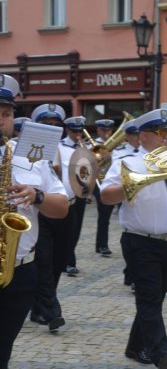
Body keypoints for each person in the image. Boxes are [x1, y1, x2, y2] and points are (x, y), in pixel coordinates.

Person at [101, 108, 167, 369]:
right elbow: (105, 196)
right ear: (144, 135)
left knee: (157, 296)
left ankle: (135, 346)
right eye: (160, 133)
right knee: (149, 297)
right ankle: (161, 353)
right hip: (139, 241)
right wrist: (135, 185)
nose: (166, 138)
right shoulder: (128, 163)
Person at [0, 74, 69, 369]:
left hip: (19, 271)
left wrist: (36, 195)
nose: (1, 120)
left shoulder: (31, 156)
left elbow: (62, 207)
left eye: (6, 113)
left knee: (3, 350)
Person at [28, 103, 73, 331]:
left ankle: (39, 307)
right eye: (47, 125)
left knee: (59, 260)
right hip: (40, 211)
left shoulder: (69, 150)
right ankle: (51, 311)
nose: (52, 129)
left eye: (56, 126)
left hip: (66, 210)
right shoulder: (30, 151)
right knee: (43, 260)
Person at [58, 116, 90, 274]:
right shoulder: (60, 147)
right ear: (67, 130)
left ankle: (69, 259)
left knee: (76, 230)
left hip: (81, 193)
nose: (78, 134)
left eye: (80, 131)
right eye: (75, 131)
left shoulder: (86, 147)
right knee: (67, 230)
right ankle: (68, 261)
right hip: (66, 195)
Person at [111, 119, 140, 289]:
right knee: (132, 237)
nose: (137, 138)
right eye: (134, 135)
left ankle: (131, 273)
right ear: (128, 136)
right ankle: (133, 274)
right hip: (127, 195)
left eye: (139, 135)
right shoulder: (120, 153)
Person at [93, 119, 116, 257]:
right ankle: (102, 245)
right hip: (99, 183)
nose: (106, 133)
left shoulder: (117, 144)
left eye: (109, 130)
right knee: (103, 215)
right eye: (103, 130)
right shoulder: (93, 144)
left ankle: (101, 244)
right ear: (98, 130)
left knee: (107, 215)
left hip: (112, 182)